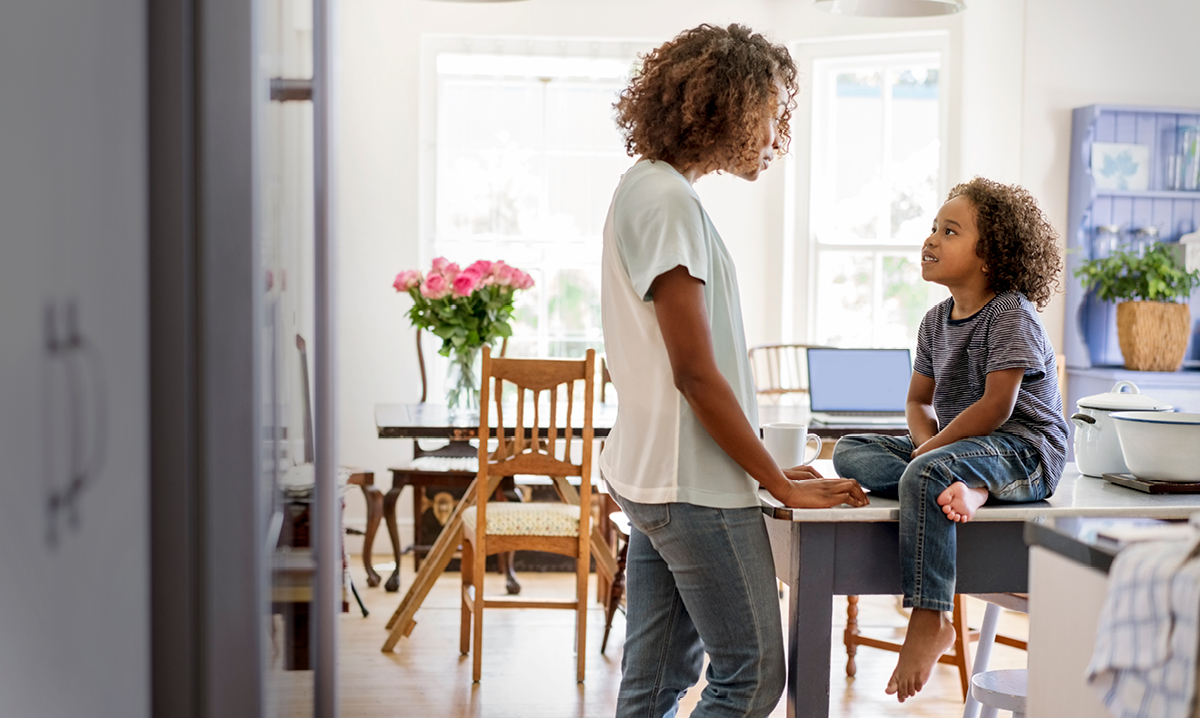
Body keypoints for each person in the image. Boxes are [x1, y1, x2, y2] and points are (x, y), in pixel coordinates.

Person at [599, 23, 869, 718]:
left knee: (655, 684)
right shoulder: (667, 203)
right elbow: (695, 372)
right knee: (750, 679)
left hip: (656, 476)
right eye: (775, 112)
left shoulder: (649, 189)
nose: (780, 133)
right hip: (693, 489)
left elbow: (686, 370)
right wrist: (774, 480)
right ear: (729, 108)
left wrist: (768, 469)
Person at [832, 177, 1069, 703]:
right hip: (960, 449)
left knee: (929, 470)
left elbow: (995, 408)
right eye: (933, 228)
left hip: (1025, 449)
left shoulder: (1010, 312)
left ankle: (930, 615)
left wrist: (931, 457)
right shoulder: (935, 321)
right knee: (849, 449)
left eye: (950, 231)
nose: (931, 239)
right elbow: (917, 402)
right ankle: (963, 487)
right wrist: (925, 446)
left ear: (990, 257)